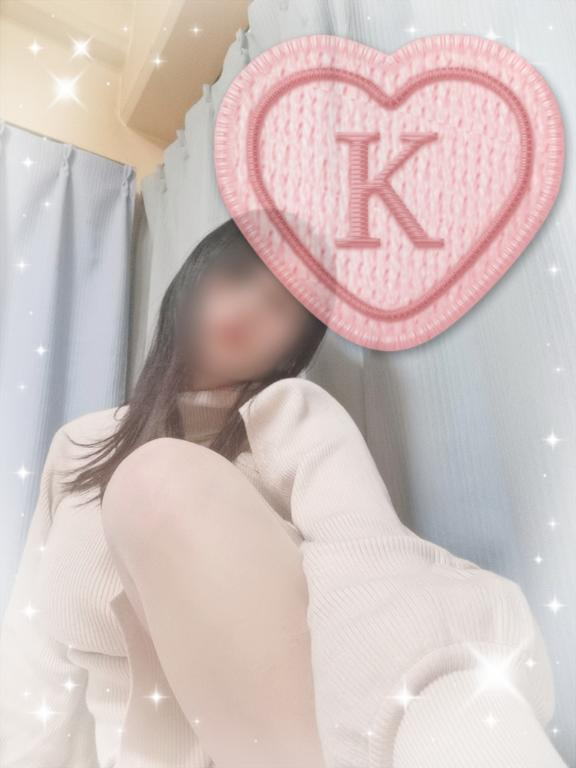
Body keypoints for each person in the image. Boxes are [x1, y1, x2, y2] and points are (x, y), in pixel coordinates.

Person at [0, 218, 567, 768]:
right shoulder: (79, 446)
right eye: (236, 276)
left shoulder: (292, 417)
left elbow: (372, 565)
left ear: (297, 346)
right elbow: (35, 671)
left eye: (282, 307)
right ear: (192, 278)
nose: (250, 308)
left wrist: (451, 718)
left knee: (157, 478)